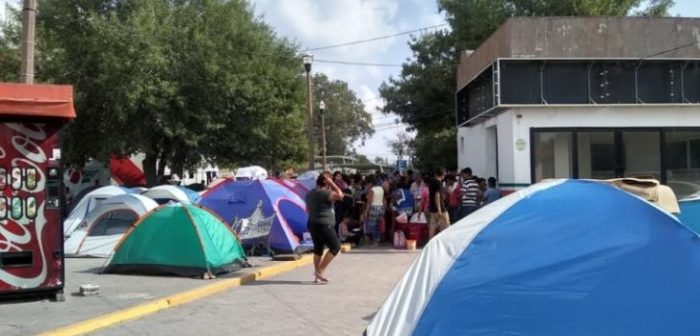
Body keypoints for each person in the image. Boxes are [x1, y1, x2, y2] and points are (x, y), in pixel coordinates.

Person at [305, 173, 343, 284]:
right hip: (324, 224)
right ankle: (320, 271)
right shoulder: (325, 193)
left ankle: (317, 274)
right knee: (335, 247)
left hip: (312, 223)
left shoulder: (309, 194)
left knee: (318, 248)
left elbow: (307, 209)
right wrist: (333, 184)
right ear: (326, 183)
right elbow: (341, 196)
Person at [361, 175, 385, 247]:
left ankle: (376, 242)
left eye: (368, 183)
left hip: (373, 208)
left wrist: (365, 211)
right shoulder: (381, 189)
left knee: (373, 225)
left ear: (370, 183)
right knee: (378, 225)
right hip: (380, 208)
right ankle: (378, 240)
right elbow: (383, 200)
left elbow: (369, 202)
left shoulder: (372, 190)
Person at [428, 168, 449, 240]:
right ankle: (445, 243)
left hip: (433, 209)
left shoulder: (431, 182)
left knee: (432, 227)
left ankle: (430, 243)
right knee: (446, 227)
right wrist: (439, 210)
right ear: (443, 175)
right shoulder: (439, 183)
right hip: (441, 209)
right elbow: (437, 196)